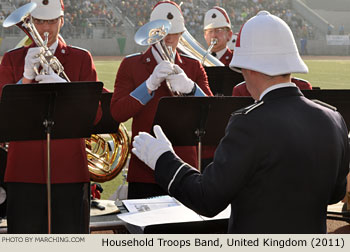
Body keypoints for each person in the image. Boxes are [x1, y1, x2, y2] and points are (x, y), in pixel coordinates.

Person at [131, 11, 349, 233]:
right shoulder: (333, 118)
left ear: (250, 68)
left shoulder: (249, 123)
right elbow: (336, 193)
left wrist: (163, 160)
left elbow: (207, 199)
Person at [0, 0, 100, 233]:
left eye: (52, 21)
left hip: (70, 171)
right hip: (23, 171)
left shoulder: (80, 58)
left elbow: (95, 115)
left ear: (62, 22)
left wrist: (66, 88)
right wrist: (25, 78)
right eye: (39, 21)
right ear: (31, 23)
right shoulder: (13, 59)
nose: (45, 27)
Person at [110, 1, 212, 200]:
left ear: (181, 35)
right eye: (164, 33)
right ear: (152, 32)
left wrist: (192, 89)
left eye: (175, 34)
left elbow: (210, 115)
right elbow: (117, 112)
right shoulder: (131, 65)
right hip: (144, 170)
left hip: (185, 168)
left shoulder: (193, 67)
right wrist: (147, 86)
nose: (169, 39)